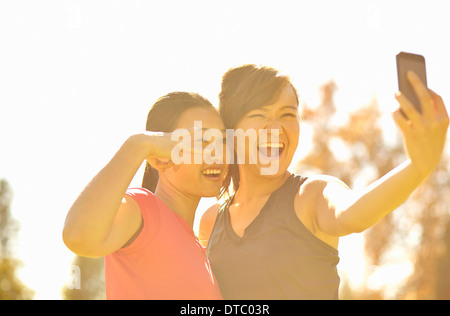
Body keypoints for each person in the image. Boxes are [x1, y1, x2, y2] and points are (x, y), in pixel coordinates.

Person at [199, 64, 449, 299]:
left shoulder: (311, 196)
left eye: (287, 114)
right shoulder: (211, 222)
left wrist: (418, 167)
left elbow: (352, 213)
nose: (274, 128)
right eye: (258, 114)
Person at [63, 91, 225, 299]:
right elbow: (78, 235)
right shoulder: (141, 210)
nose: (217, 153)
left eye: (222, 140)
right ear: (160, 156)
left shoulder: (200, 251)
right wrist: (137, 145)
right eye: (202, 140)